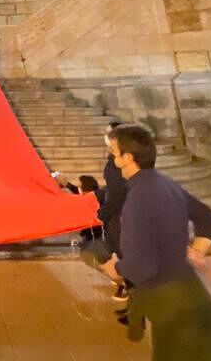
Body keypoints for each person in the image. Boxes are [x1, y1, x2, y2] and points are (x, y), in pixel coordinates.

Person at [100, 124, 211, 360]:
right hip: (192, 293)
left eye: (113, 151)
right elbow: (208, 219)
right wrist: (195, 251)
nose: (111, 156)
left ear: (127, 158)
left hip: (173, 307)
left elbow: (142, 266)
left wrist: (116, 269)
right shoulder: (164, 182)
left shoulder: (137, 199)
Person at [98, 120, 130, 302]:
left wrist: (102, 215)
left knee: (119, 249)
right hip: (118, 210)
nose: (106, 138)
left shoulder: (118, 163)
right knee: (116, 248)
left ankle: (126, 286)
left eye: (110, 134)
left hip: (119, 213)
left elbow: (117, 192)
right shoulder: (114, 160)